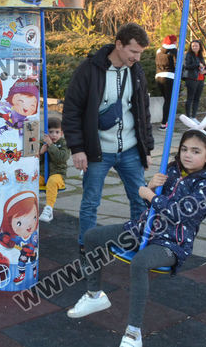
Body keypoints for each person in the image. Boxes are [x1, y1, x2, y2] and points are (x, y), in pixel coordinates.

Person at [66, 112, 206, 347]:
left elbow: (179, 213)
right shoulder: (172, 169)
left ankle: (133, 332)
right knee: (92, 237)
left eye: (196, 151)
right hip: (142, 229)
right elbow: (150, 205)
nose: (187, 155)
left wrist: (150, 195)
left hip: (171, 243)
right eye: (184, 149)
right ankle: (94, 295)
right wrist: (150, 188)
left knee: (140, 263)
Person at [62, 23, 154, 254]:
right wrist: (77, 148)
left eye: (140, 53)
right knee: (91, 201)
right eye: (133, 51)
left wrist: (147, 148)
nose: (137, 58)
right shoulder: (89, 70)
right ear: (119, 44)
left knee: (140, 198)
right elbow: (72, 110)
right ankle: (87, 245)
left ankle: (137, 241)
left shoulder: (136, 71)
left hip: (131, 148)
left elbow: (143, 110)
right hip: (98, 150)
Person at [38, 116, 70, 223]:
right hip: (43, 174)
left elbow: (61, 158)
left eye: (57, 132)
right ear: (46, 133)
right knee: (33, 180)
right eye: (51, 132)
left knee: (52, 181)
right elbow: (35, 161)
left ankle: (48, 209)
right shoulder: (42, 143)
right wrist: (40, 153)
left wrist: (51, 145)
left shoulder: (64, 144)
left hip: (58, 175)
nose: (54, 135)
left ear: (62, 133)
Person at [154, 35, 177, 130]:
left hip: (159, 76)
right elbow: (176, 65)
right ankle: (164, 123)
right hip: (169, 76)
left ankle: (166, 122)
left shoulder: (158, 51)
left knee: (166, 100)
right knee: (169, 101)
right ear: (174, 42)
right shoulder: (174, 51)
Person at [182, 40, 206, 119]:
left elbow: (205, 67)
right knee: (190, 98)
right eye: (193, 46)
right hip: (191, 79)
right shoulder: (188, 55)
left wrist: (205, 71)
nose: (194, 47)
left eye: (196, 46)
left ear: (199, 47)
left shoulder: (200, 56)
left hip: (201, 79)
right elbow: (186, 66)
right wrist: (197, 64)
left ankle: (194, 116)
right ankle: (188, 116)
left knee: (197, 99)